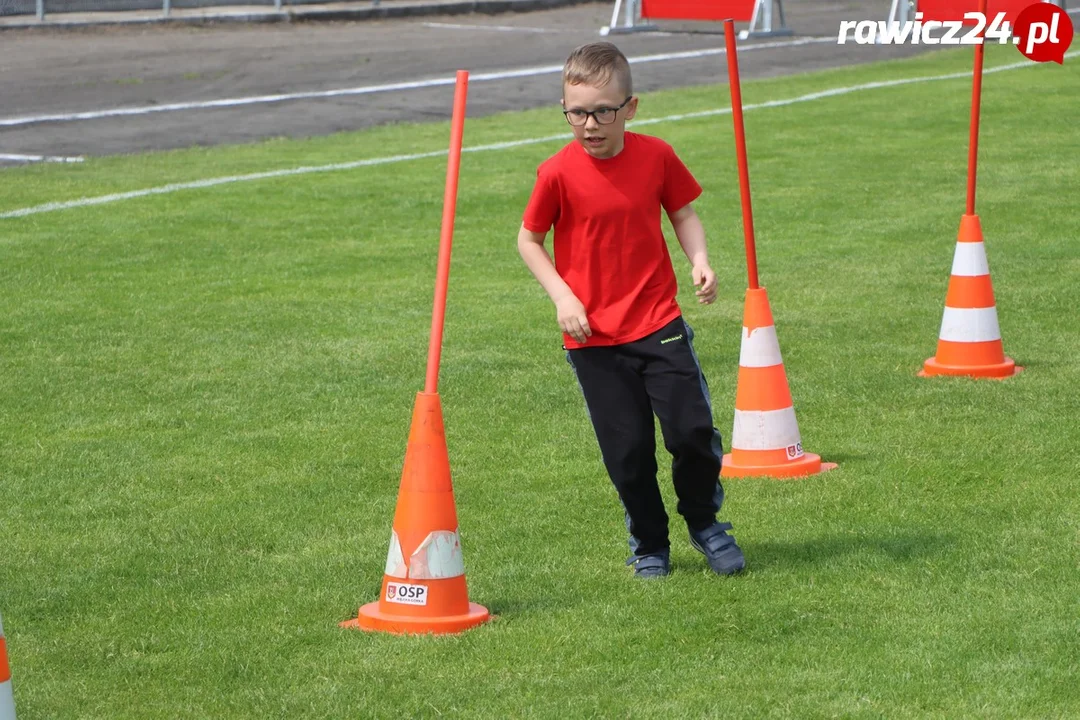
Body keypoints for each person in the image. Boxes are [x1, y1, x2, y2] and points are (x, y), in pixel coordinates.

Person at [516, 41, 745, 579]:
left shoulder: (656, 156)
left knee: (691, 431)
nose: (589, 125)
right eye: (576, 112)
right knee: (628, 451)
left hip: (657, 321)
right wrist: (563, 297)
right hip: (593, 339)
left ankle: (706, 523)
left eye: (602, 112)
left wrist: (701, 260)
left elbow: (682, 213)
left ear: (630, 108)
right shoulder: (555, 173)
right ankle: (649, 543)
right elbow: (529, 240)